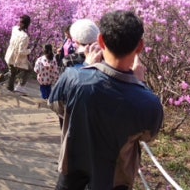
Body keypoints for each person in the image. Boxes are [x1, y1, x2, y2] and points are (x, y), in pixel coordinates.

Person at [49, 10, 163, 190]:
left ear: (101, 41)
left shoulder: (74, 78)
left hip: (72, 171)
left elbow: (56, 106)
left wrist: (87, 66)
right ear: (140, 46)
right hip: (115, 181)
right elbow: (148, 135)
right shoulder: (148, 102)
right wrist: (140, 84)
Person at [4, 15, 31, 93]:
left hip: (10, 54)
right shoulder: (25, 36)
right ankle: (19, 86)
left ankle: (11, 88)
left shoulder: (14, 29)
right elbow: (21, 51)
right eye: (19, 21)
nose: (19, 22)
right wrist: (29, 51)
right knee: (28, 69)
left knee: (12, 72)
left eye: (20, 21)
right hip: (17, 58)